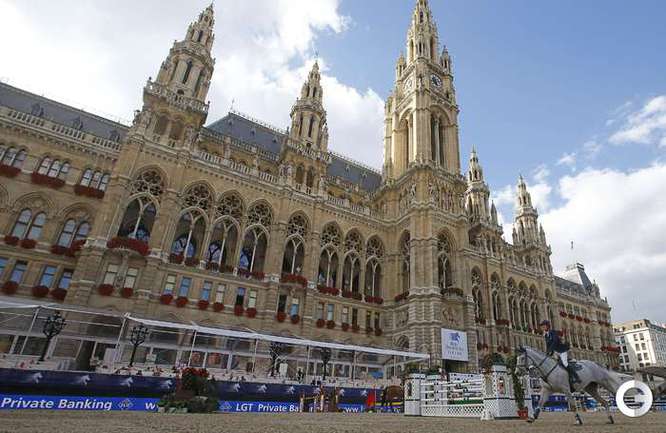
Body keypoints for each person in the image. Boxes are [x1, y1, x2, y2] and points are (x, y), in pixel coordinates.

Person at [540, 320, 580, 388]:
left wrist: (550, 350)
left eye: (544, 326)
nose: (543, 327)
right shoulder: (546, 335)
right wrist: (547, 353)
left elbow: (555, 342)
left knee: (565, 363)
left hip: (561, 350)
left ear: (547, 326)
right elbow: (548, 345)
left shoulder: (553, 332)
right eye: (542, 326)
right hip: (555, 351)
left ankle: (576, 377)